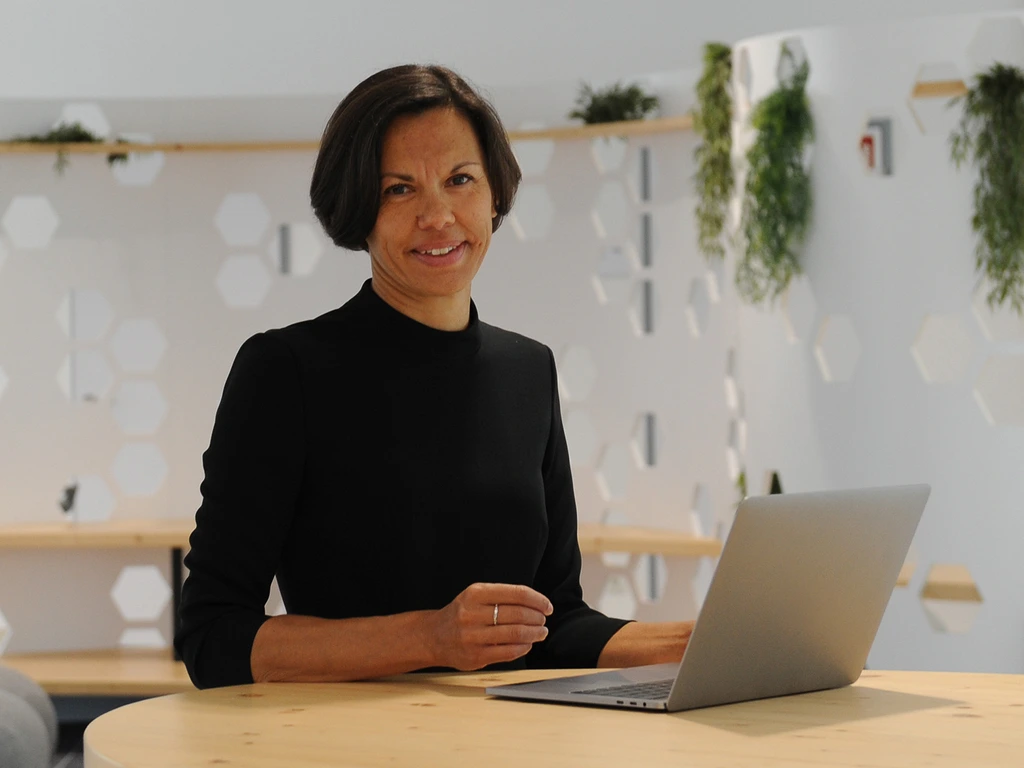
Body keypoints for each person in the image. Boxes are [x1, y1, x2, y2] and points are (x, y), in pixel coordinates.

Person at [175, 64, 693, 689]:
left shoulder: (529, 371)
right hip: (341, 735)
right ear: (358, 209)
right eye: (399, 189)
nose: (439, 215)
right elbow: (212, 637)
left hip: (511, 734)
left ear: (494, 195)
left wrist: (698, 640)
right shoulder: (285, 371)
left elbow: (555, 622)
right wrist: (431, 637)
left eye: (460, 180)